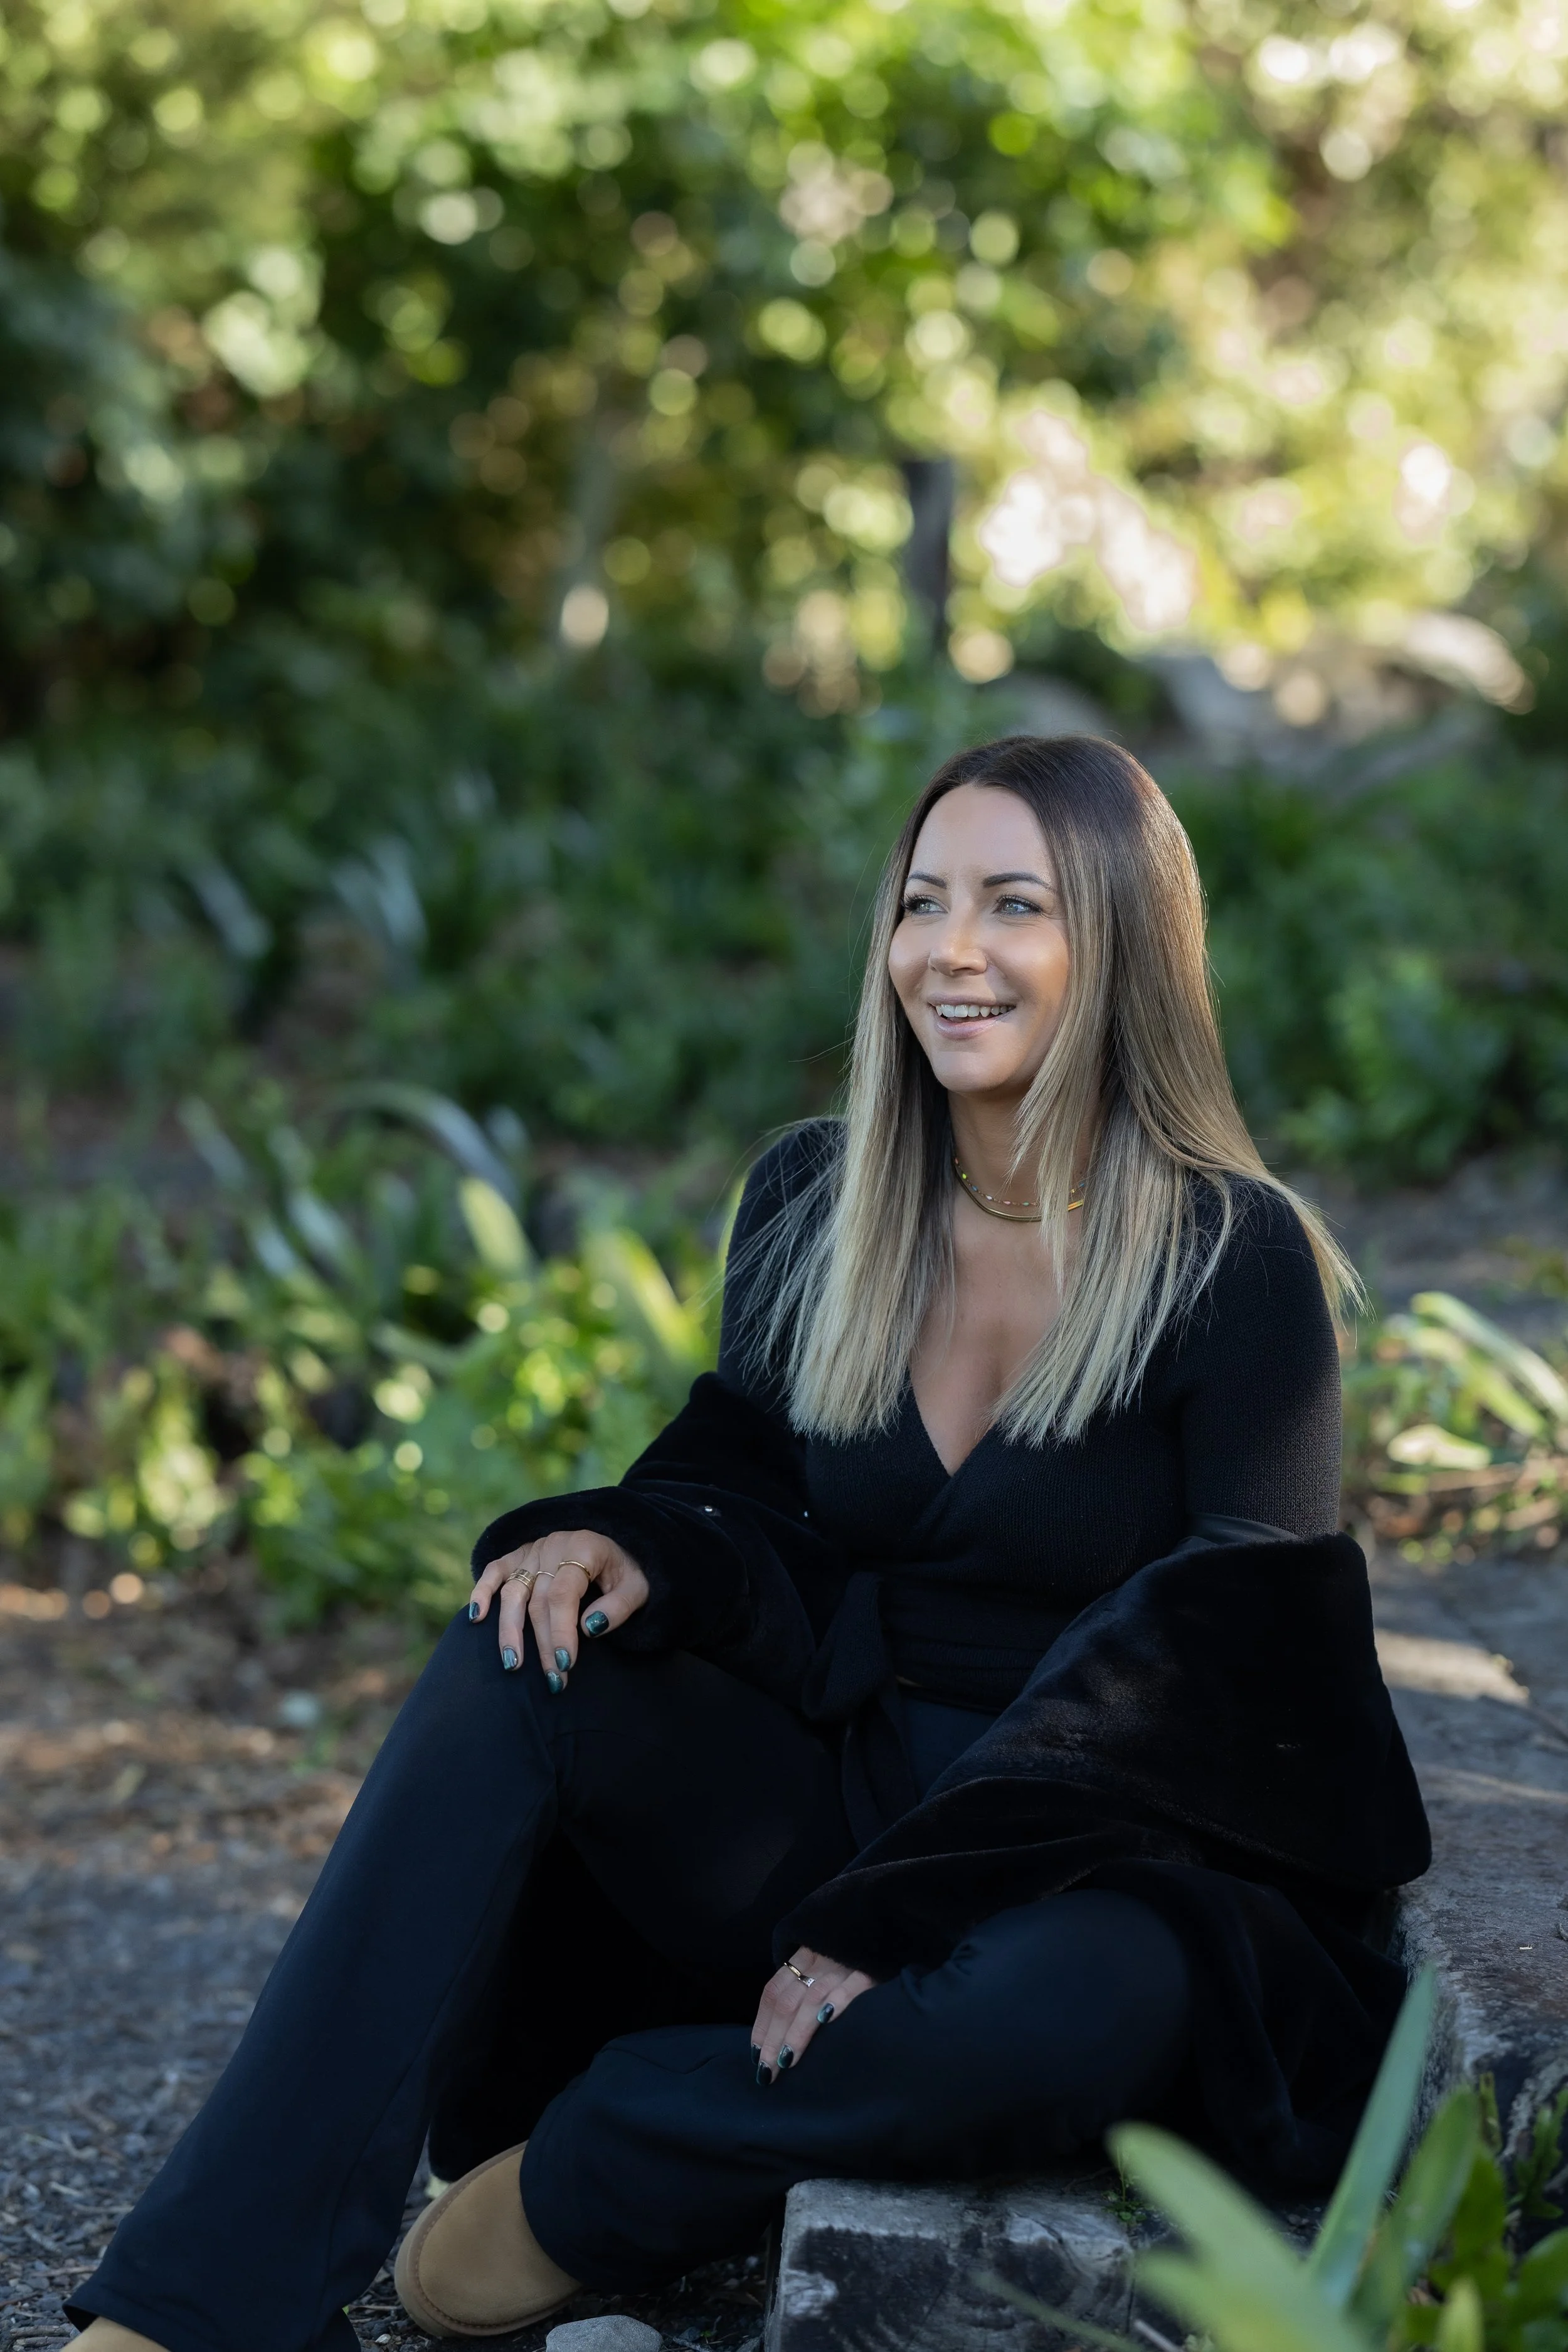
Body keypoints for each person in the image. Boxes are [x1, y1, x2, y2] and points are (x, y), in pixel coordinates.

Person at [68, 736, 1428, 2352]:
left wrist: (894, 1919)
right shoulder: (814, 1199)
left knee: (1079, 2013)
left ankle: (610, 2160)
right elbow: (740, 1458)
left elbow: (1231, 1645)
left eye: (1017, 906)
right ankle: (193, 2302)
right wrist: (635, 1544)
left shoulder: (1232, 1258)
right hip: (831, 1788)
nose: (955, 951)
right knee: (522, 1648)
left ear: (1124, 945)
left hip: (1092, 1846)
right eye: (923, 904)